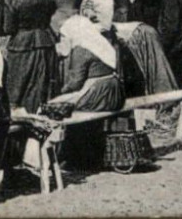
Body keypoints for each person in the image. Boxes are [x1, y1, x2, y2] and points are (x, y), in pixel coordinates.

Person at [48, 14, 126, 169]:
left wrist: (60, 93)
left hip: (98, 92)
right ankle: (84, 155)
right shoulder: (98, 42)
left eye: (64, 36)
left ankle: (72, 156)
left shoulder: (81, 50)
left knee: (63, 108)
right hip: (114, 91)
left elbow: (75, 82)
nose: (63, 39)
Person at [2, 0, 59, 112]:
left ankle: (18, 113)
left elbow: (8, 28)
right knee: (43, 81)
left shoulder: (12, 0)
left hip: (22, 44)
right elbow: (51, 14)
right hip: (45, 40)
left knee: (19, 81)